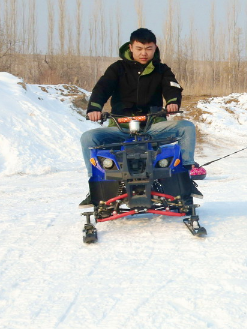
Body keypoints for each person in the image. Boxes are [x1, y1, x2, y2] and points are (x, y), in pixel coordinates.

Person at [79, 27, 199, 204]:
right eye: (140, 48)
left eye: (149, 49)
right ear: (131, 48)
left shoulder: (161, 69)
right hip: (120, 128)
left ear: (155, 48)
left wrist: (173, 102)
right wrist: (94, 108)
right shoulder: (117, 69)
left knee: (186, 127)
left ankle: (186, 177)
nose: (144, 53)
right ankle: (95, 186)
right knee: (89, 138)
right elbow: (102, 88)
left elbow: (172, 87)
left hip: (152, 127)